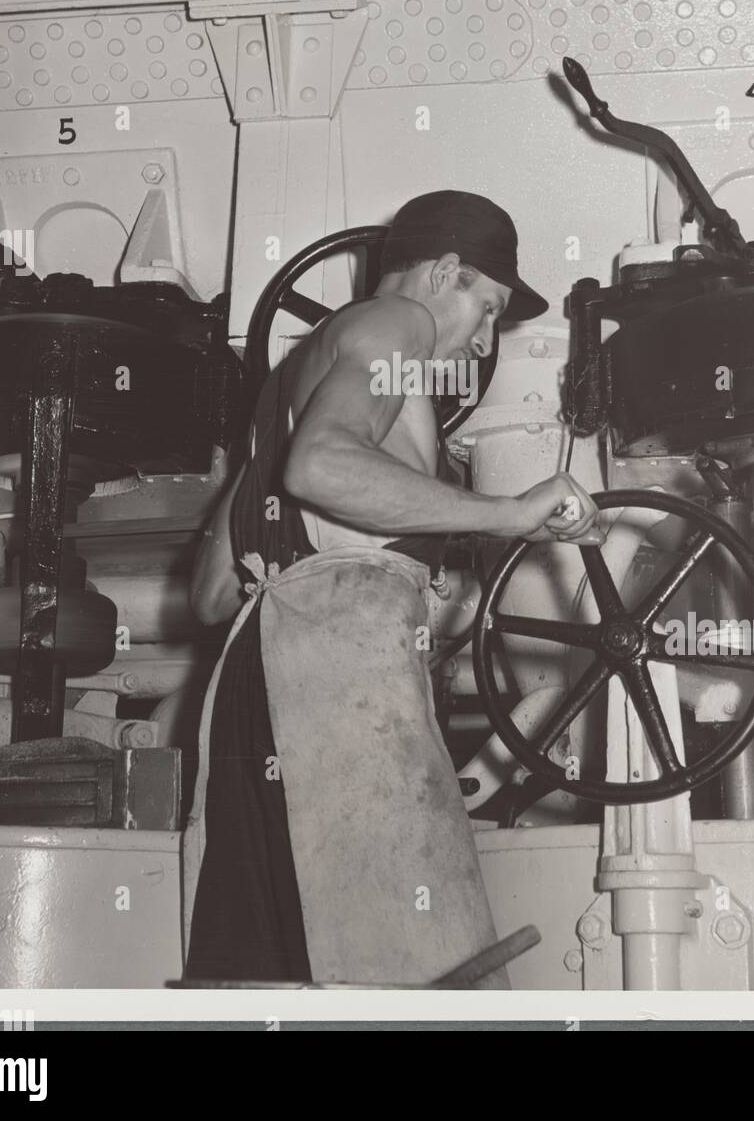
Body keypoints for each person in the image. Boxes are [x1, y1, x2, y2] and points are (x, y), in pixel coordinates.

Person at [182, 190, 600, 987]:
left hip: (255, 680)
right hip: (341, 673)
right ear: (442, 270)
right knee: (417, 963)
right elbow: (323, 468)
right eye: (486, 309)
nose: (483, 341)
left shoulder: (284, 385)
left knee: (280, 969)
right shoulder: (396, 325)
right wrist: (506, 513)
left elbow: (210, 596)